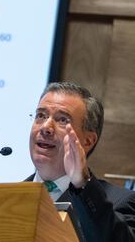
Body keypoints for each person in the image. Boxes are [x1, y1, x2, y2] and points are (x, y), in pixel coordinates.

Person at [26, 81, 135, 241]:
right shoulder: (7, 198)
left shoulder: (119, 202)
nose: (46, 127)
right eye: (41, 116)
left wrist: (82, 185)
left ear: (88, 141)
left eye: (62, 120)